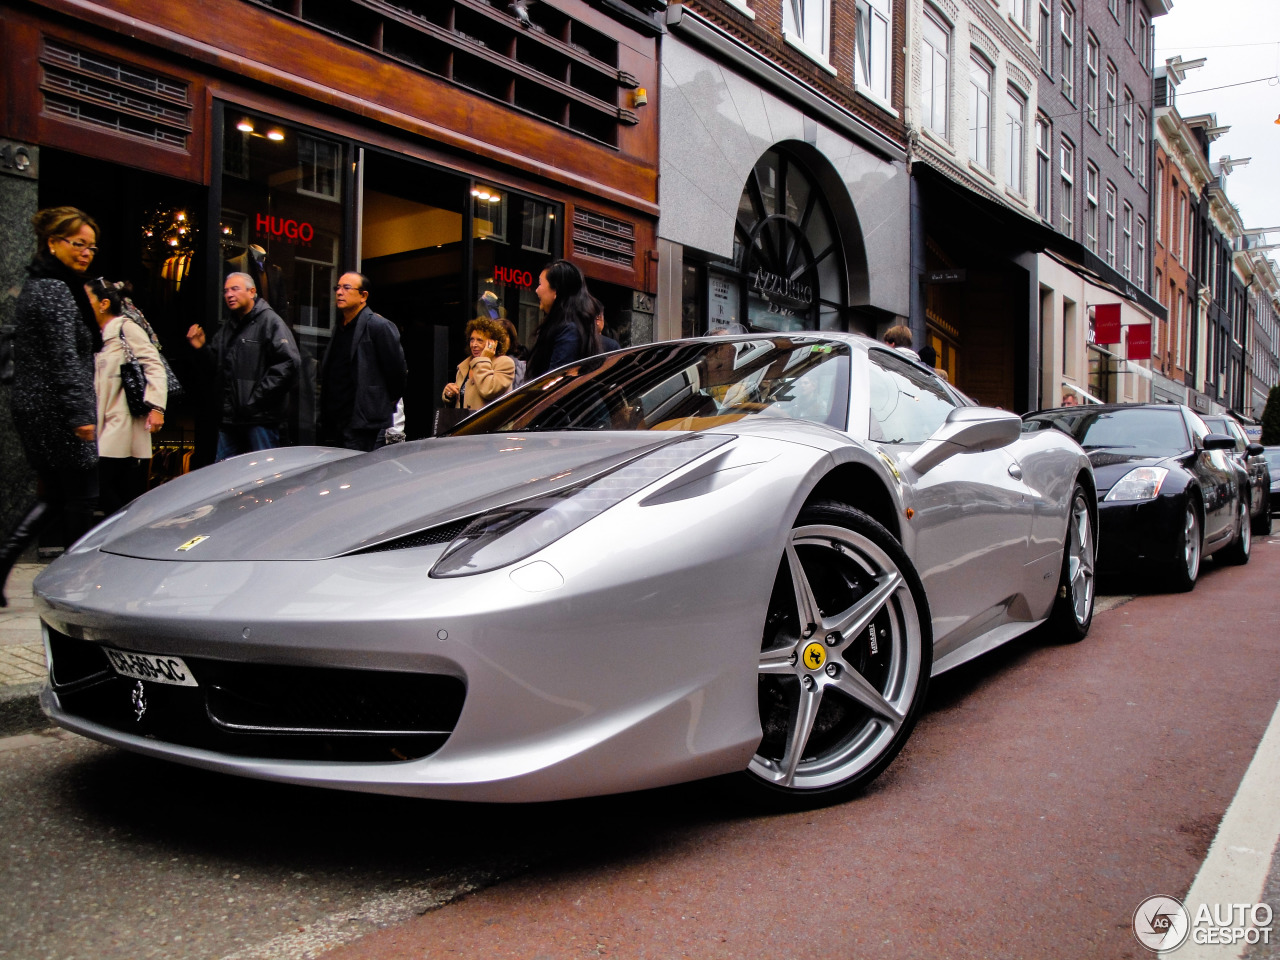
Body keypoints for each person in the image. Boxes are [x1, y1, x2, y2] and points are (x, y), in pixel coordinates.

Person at [0, 207, 101, 606]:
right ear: (53, 242)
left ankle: (3, 565)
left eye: (92, 246)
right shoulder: (57, 290)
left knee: (55, 496)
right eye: (78, 244)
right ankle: (74, 585)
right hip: (56, 409)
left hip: (36, 406)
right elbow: (63, 357)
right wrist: (80, 415)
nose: (86, 253)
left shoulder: (37, 285)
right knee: (82, 496)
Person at [186, 273, 300, 460]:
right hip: (231, 420)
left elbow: (289, 363)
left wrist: (254, 401)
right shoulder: (229, 327)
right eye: (226, 291)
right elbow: (215, 367)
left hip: (260, 420)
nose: (229, 294)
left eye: (235, 289)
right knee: (224, 479)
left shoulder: (270, 321)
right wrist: (201, 349)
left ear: (252, 292)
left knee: (265, 477)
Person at [88, 278, 166, 514]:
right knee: (113, 489)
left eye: (87, 298)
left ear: (103, 303)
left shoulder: (125, 327)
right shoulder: (96, 334)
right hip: (104, 420)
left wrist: (157, 407)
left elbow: (154, 365)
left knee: (103, 485)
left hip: (122, 419)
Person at [318, 272, 406, 451]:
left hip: (361, 420)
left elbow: (397, 371)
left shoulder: (378, 326)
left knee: (354, 471)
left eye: (346, 288)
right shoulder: (339, 328)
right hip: (334, 418)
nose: (340, 292)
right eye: (338, 287)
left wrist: (383, 402)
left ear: (363, 296)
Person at [525, 259, 601, 379]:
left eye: (540, 284)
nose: (536, 290)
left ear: (556, 291)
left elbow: (554, 379)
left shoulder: (569, 330)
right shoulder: (568, 326)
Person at [443, 316, 517, 410]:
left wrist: (484, 359)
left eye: (479, 340)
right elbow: (460, 401)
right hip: (465, 423)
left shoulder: (505, 363)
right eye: (472, 339)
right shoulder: (465, 366)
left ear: (492, 343)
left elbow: (488, 391)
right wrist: (449, 394)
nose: (474, 345)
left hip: (490, 424)